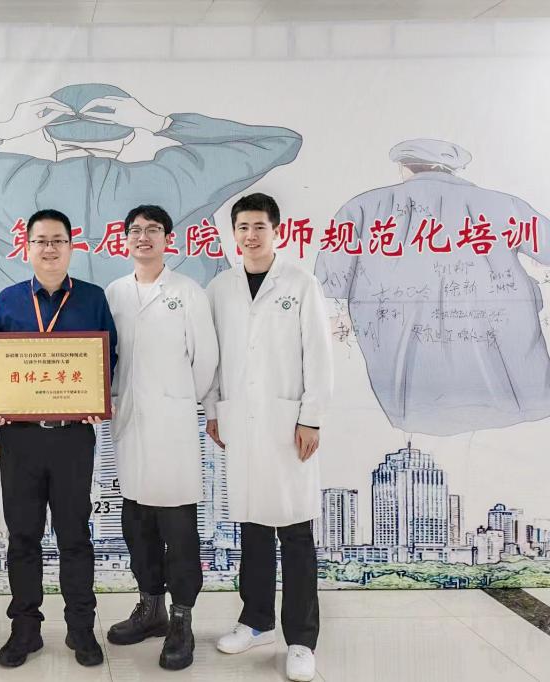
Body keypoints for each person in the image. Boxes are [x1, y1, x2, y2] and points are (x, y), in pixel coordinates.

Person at [0, 82, 303, 293]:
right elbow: (280, 141)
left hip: (42, 361)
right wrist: (160, 123)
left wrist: (0, 130)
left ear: (47, 132)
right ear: (128, 133)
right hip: (153, 359)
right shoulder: (173, 179)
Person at [314, 138, 550, 437]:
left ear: (404, 167)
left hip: (412, 398)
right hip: (519, 394)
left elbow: (329, 281)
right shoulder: (504, 205)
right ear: (453, 169)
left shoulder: (361, 207)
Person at [205, 194, 333, 682]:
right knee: (252, 527)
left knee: (295, 531)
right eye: (243, 227)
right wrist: (214, 411)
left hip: (288, 424)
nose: (250, 235)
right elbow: (213, 357)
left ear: (276, 231)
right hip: (241, 422)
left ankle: (300, 639)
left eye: (259, 226)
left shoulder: (300, 284)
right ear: (233, 234)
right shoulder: (220, 288)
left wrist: (311, 418)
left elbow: (318, 354)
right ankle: (256, 621)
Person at [0, 209, 118, 668]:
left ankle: (81, 629)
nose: (49, 248)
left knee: (75, 537)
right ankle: (25, 630)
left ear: (70, 247)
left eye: (58, 240)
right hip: (20, 439)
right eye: (40, 240)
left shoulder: (93, 298)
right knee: (23, 537)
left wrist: (96, 393)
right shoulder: (8, 300)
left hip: (72, 438)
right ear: (27, 248)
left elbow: (109, 356)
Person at [104, 205, 218, 670]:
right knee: (137, 522)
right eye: (135, 230)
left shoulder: (187, 292)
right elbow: (106, 355)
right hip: (130, 423)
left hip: (173, 425)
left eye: (153, 230)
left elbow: (205, 360)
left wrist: (177, 398)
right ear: (125, 240)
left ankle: (181, 618)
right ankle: (150, 608)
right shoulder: (114, 293)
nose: (143, 237)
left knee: (178, 528)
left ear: (168, 238)